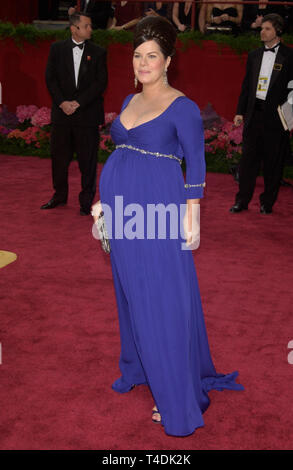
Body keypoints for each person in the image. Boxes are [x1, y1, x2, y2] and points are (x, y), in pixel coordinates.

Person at [91, 15, 243, 437]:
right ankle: (141, 366)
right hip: (122, 211)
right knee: (131, 293)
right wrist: (104, 204)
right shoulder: (127, 101)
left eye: (151, 56)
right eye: (138, 56)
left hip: (159, 213)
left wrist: (191, 216)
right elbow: (120, 156)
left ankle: (176, 393)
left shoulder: (183, 106)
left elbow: (196, 162)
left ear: (168, 60)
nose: (143, 63)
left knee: (161, 299)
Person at [41, 12, 107, 215]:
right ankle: (59, 196)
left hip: (86, 115)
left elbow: (100, 83)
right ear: (74, 29)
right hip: (62, 116)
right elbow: (50, 78)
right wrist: (62, 103)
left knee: (88, 161)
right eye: (86, 26)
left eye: (90, 26)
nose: (90, 29)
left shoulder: (98, 52)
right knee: (59, 159)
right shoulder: (57, 49)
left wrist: (78, 103)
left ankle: (86, 202)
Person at [230, 14, 293, 215]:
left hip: (276, 117)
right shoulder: (254, 55)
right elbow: (246, 86)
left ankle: (267, 202)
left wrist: (288, 114)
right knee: (248, 161)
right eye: (261, 28)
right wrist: (240, 111)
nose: (262, 32)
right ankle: (242, 200)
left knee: (273, 163)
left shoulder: (290, 57)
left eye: (266, 28)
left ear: (278, 31)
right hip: (253, 114)